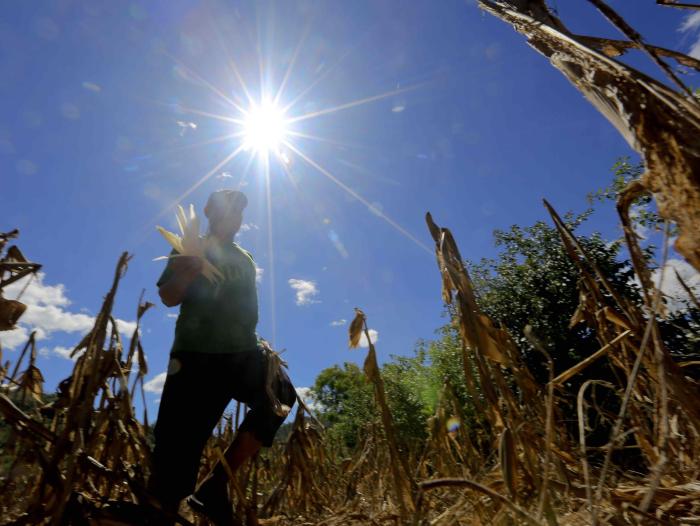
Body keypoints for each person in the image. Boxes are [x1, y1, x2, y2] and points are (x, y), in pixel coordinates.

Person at [148, 190, 296, 526]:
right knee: (173, 463)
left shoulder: (245, 258)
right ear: (209, 212)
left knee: (281, 395)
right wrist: (187, 271)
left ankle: (215, 486)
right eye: (226, 210)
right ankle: (160, 511)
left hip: (243, 353)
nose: (233, 217)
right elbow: (168, 296)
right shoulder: (189, 246)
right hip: (195, 358)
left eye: (238, 212)